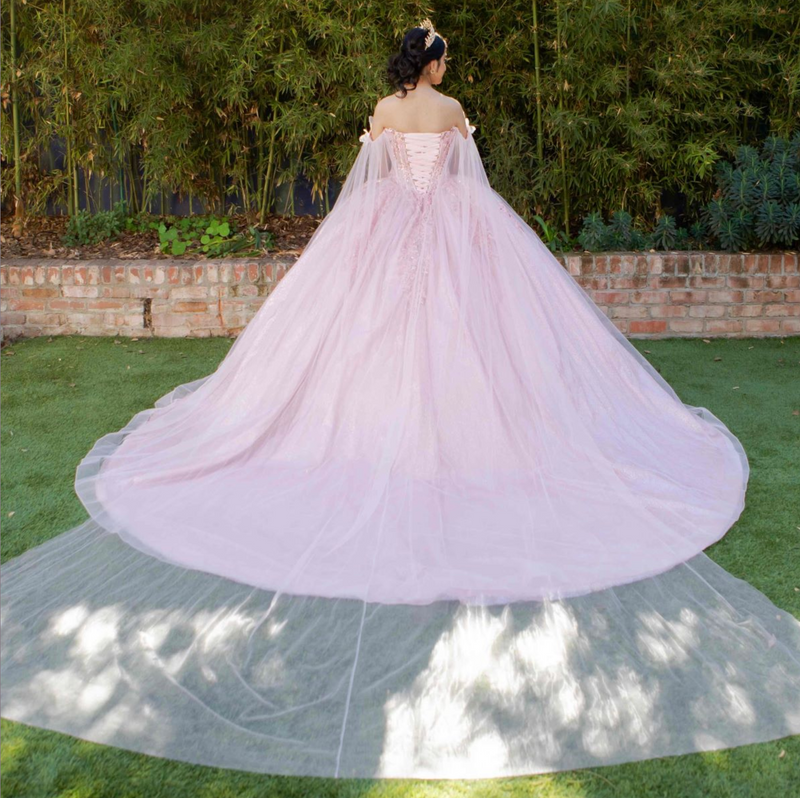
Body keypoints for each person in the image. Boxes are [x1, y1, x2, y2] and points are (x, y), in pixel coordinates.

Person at [1, 19, 799, 781]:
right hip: (450, 229)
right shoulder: (450, 110)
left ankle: (368, 436)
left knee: (365, 340)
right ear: (434, 62)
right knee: (470, 342)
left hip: (384, 230)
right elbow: (466, 180)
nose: (447, 68)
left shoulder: (384, 111)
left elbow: (376, 176)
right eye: (444, 57)